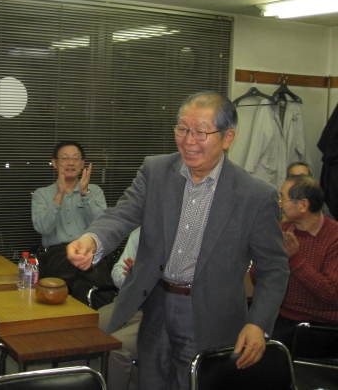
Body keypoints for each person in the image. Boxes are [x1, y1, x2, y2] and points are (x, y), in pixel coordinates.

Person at [67, 91, 289, 390]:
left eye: (201, 132)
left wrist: (258, 323)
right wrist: (93, 240)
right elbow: (123, 213)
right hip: (156, 303)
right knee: (151, 381)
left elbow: (274, 268)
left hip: (210, 314)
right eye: (182, 129)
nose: (188, 140)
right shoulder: (156, 171)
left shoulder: (255, 195)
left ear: (227, 138)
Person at [32, 140, 110, 303]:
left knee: (91, 275)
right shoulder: (42, 194)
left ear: (82, 164)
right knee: (82, 277)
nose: (71, 163)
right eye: (65, 158)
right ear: (55, 163)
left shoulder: (94, 191)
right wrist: (59, 195)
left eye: (75, 158)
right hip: (57, 254)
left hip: (89, 250)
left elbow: (102, 225)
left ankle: (91, 304)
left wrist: (84, 193)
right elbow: (43, 228)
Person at [271, 175, 338, 348]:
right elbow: (260, 280)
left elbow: (331, 294)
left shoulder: (334, 237)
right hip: (283, 316)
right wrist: (265, 258)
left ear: (303, 205)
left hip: (320, 325)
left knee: (265, 352)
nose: (280, 204)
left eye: (283, 198)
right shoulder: (282, 230)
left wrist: (294, 258)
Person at [98, 227, 142, 390]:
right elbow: (117, 273)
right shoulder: (139, 233)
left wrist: (144, 278)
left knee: (117, 347)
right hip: (130, 301)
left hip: (158, 308)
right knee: (89, 326)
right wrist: (130, 278)